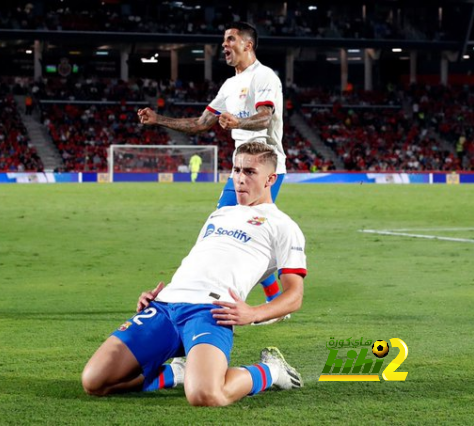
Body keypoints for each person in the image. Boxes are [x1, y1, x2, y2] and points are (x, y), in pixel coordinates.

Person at [82, 142, 306, 407]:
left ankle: (271, 371)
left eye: (249, 172)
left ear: (270, 179)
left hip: (210, 311)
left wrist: (254, 313)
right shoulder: (219, 215)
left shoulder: (283, 226)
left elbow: (294, 296)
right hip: (165, 306)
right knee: (95, 382)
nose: (240, 179)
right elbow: (200, 261)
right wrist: (159, 294)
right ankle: (178, 373)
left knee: (207, 396)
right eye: (236, 170)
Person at [138, 22, 288, 310]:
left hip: (265, 168)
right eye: (223, 41)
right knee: (234, 232)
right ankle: (269, 297)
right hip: (241, 169)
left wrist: (238, 122)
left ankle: (214, 299)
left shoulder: (264, 76)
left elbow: (265, 117)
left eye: (231, 39)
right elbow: (199, 124)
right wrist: (158, 119)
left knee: (232, 233)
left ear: (248, 45)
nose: (224, 45)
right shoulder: (230, 85)